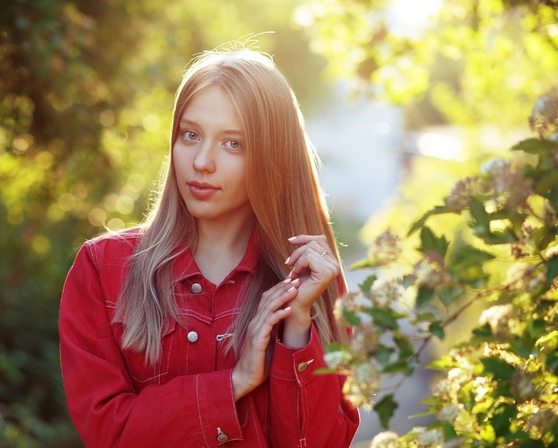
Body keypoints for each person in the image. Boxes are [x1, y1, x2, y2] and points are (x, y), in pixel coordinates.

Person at [59, 45, 360, 448]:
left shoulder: (312, 283)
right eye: (191, 135)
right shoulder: (102, 269)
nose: (202, 161)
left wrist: (296, 330)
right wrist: (233, 384)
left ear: (272, 157)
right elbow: (108, 433)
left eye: (232, 143)